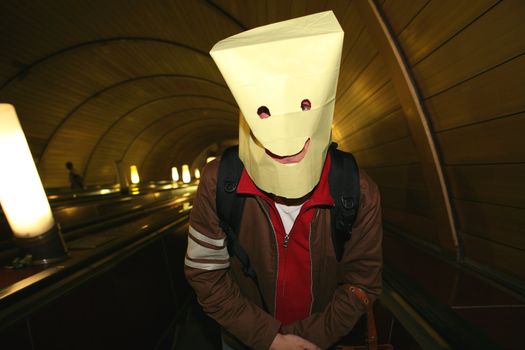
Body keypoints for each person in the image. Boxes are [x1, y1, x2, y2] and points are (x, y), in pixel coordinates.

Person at [185, 11, 382, 350]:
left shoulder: (357, 191)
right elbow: (206, 274)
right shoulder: (220, 182)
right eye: (264, 110)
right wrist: (268, 338)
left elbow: (363, 281)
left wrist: (308, 340)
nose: (284, 135)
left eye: (304, 105)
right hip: (244, 340)